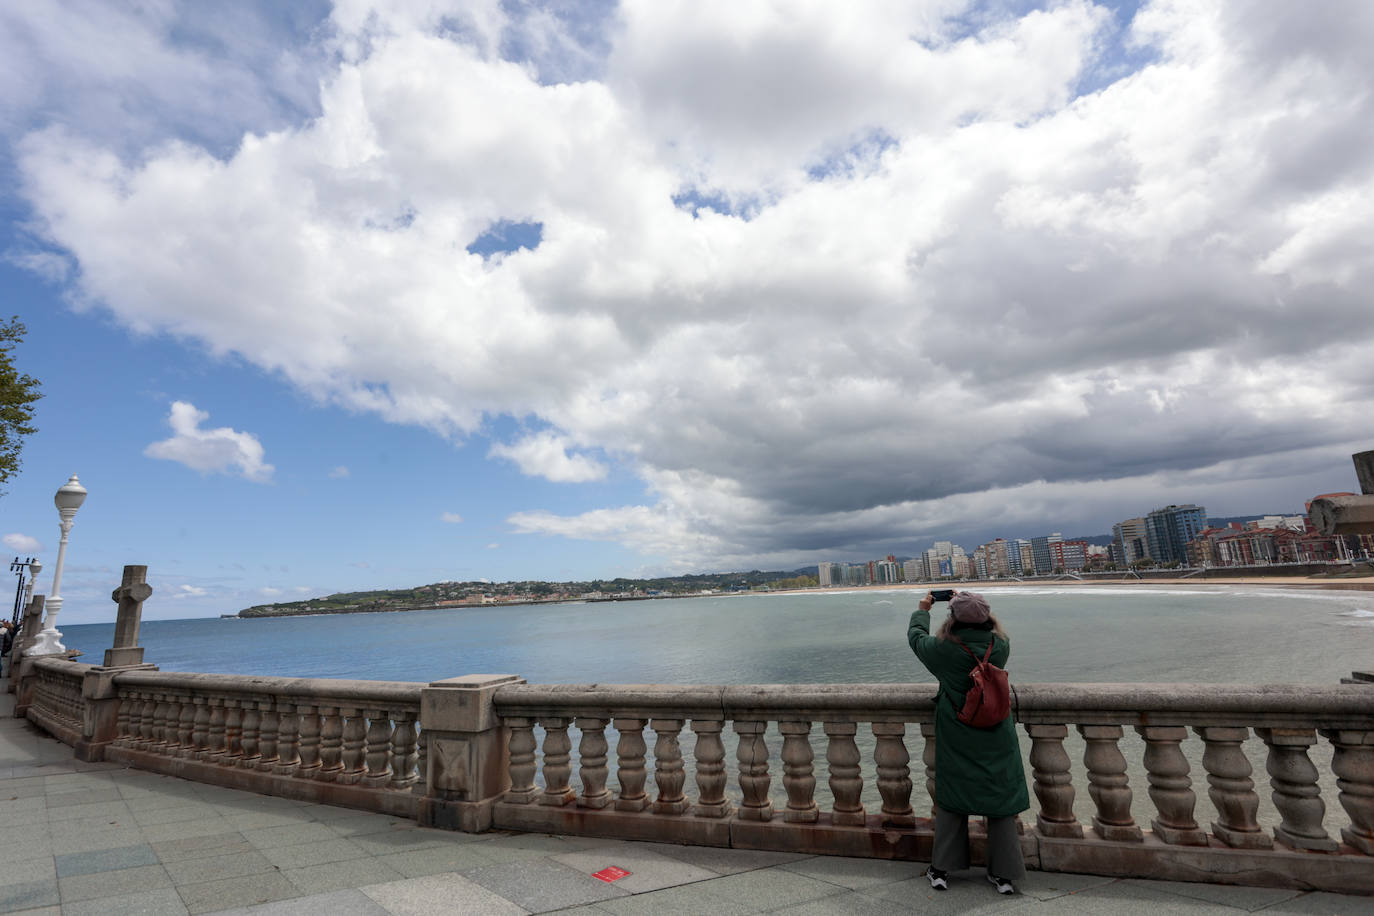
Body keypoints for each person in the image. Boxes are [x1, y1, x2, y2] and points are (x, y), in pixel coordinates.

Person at [908, 590, 1028, 894]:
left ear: (953, 618)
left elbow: (916, 638)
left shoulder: (944, 650)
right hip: (997, 732)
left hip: (958, 730)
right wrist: (969, 602)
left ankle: (942, 869)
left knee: (953, 795)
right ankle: (1004, 874)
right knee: (1000, 800)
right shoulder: (1000, 645)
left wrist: (923, 609)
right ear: (987, 616)